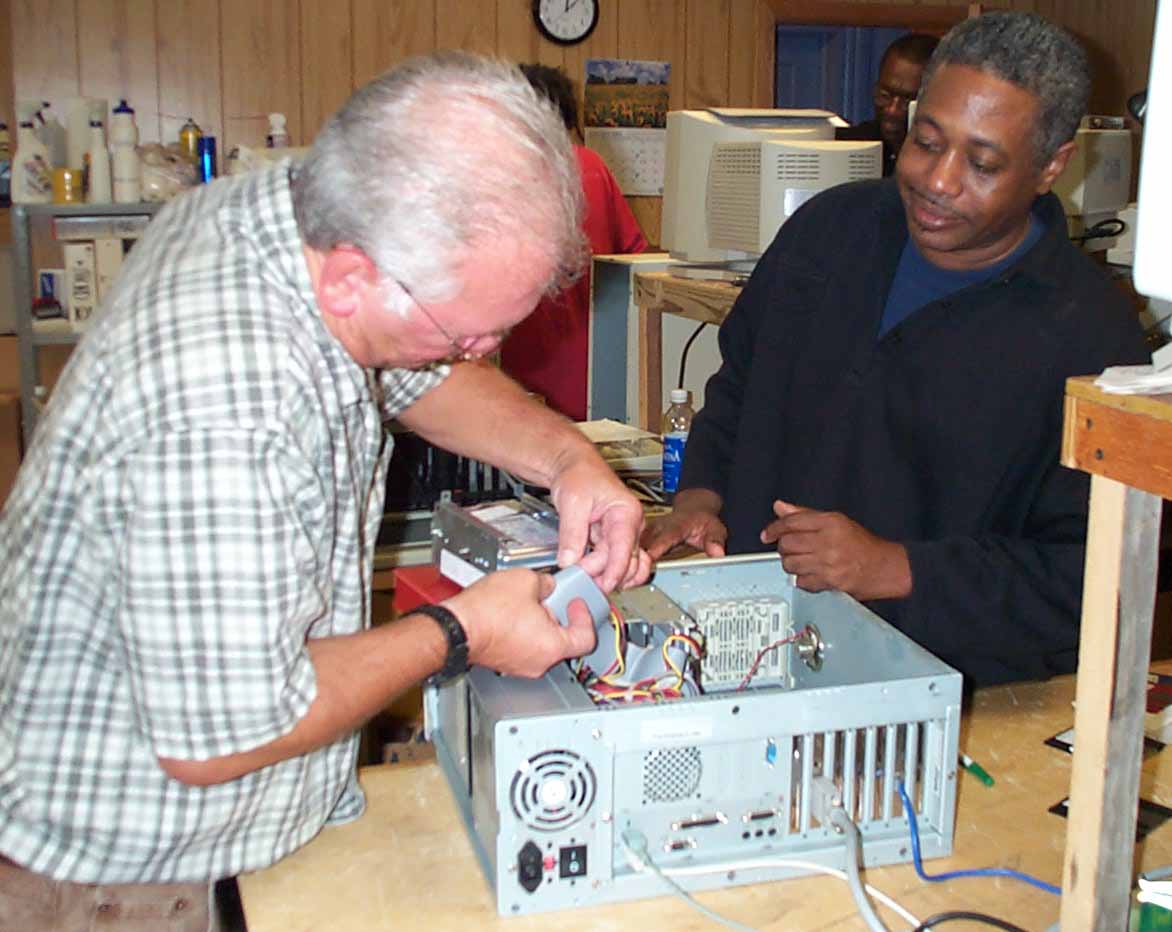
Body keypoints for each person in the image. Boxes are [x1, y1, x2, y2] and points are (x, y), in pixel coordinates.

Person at [0, 52, 650, 930]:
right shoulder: (230, 403)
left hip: (227, 826)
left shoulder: (291, 210)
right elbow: (221, 732)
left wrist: (569, 459)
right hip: (127, 872)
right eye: (468, 330)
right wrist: (465, 630)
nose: (481, 350)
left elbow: (419, 373)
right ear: (353, 276)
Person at [641, 12, 1148, 687]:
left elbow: (1093, 580)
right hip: (749, 660)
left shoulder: (1093, 339)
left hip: (932, 698)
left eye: (983, 162)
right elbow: (739, 389)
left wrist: (897, 569)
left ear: (1051, 166)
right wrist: (701, 497)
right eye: (926, 141)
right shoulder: (828, 232)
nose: (938, 181)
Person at [501, 63, 647, 421]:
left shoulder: (507, 171)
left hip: (527, 359)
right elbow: (637, 256)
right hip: (599, 363)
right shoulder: (593, 166)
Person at [837, 32, 940, 176]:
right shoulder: (851, 146)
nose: (892, 110)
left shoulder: (944, 163)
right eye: (885, 96)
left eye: (907, 101)